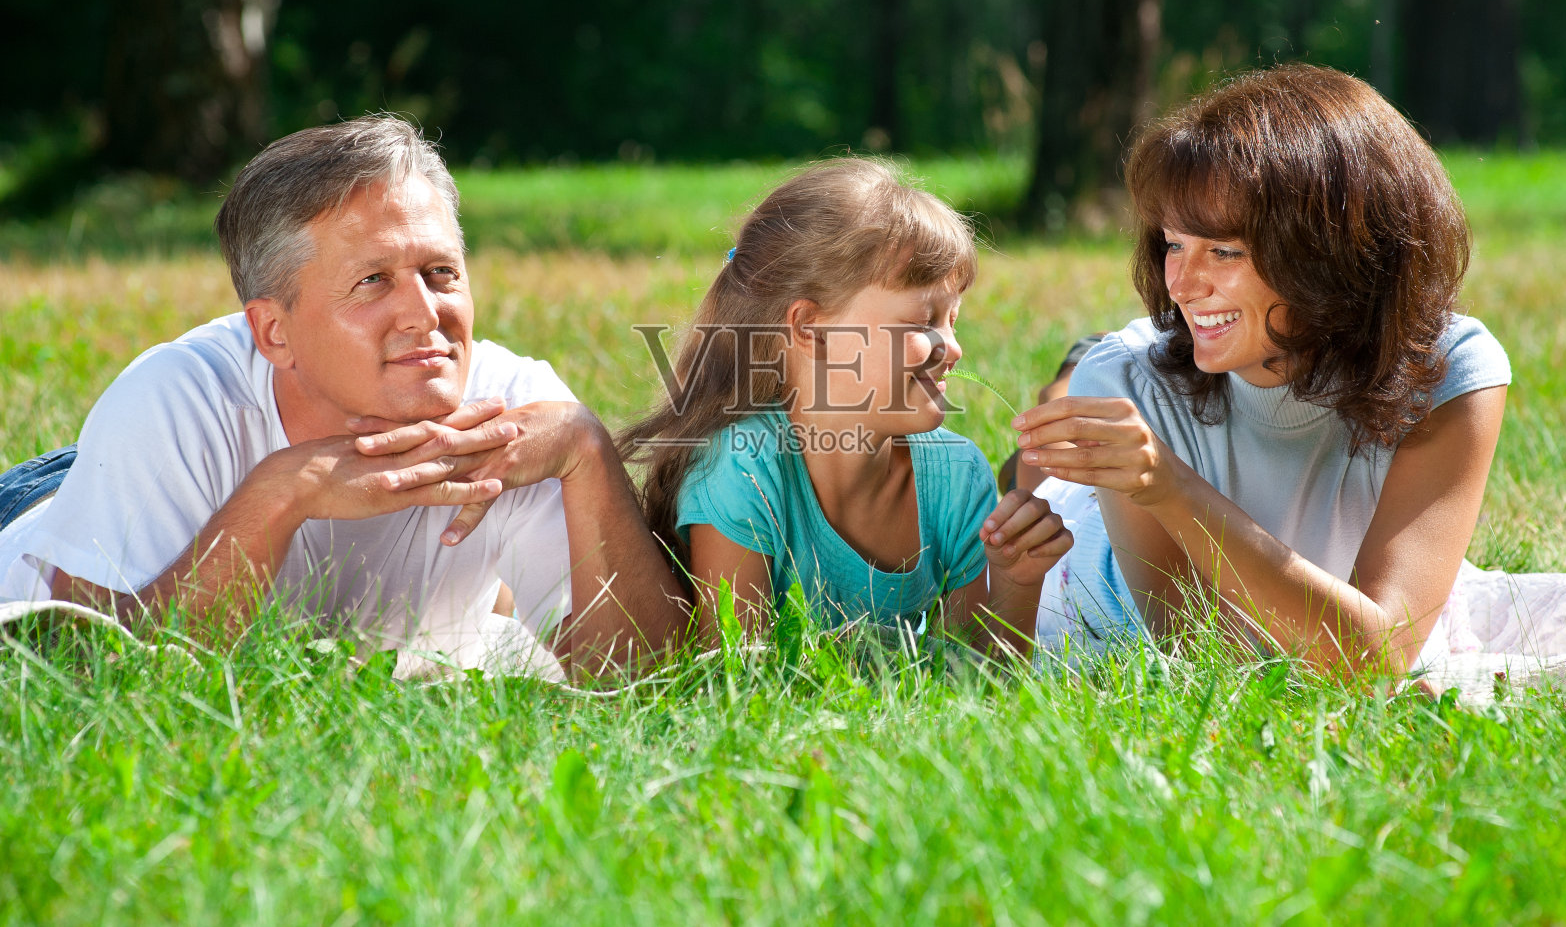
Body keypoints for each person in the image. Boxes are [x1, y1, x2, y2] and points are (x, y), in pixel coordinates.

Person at [0, 116, 688, 677]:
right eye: (373, 281)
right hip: (43, 504)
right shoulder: (173, 400)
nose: (426, 312)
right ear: (274, 331)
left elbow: (647, 680)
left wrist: (586, 450)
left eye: (441, 271)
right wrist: (279, 494)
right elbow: (86, 669)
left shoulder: (517, 413)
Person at [1017, 63, 1566, 687]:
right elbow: (1195, 652)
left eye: (1225, 250)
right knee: (1046, 465)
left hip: (1275, 562)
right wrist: (1152, 482)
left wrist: (1170, 485)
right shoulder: (1128, 385)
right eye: (1172, 245)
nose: (1180, 284)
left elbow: (1379, 657)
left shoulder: (1450, 371)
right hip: (1094, 575)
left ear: (1332, 252)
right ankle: (1066, 385)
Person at [619, 159, 1071, 656]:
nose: (953, 347)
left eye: (953, 320)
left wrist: (1018, 582)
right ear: (811, 328)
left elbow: (974, 688)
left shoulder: (957, 479)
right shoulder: (743, 471)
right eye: (924, 320)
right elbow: (737, 686)